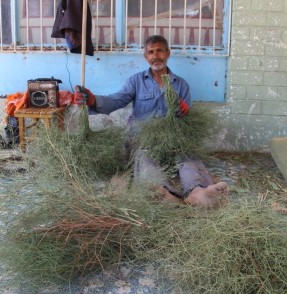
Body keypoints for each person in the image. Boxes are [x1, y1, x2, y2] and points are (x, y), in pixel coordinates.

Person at [74, 35, 229, 207]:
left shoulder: (181, 85)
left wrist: (186, 112)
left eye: (159, 51)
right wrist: (92, 100)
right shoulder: (136, 81)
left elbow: (187, 119)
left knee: (188, 157)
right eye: (151, 52)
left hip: (173, 139)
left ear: (168, 53)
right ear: (145, 57)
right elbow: (116, 100)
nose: (155, 56)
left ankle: (198, 193)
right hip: (143, 139)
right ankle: (162, 192)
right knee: (145, 156)